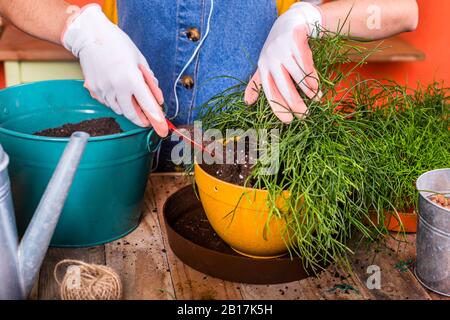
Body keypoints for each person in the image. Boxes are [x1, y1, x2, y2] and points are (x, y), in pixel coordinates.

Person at [0, 0, 418, 168]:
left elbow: (401, 9)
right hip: (133, 161)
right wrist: (78, 28)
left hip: (254, 163)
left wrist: (307, 19)